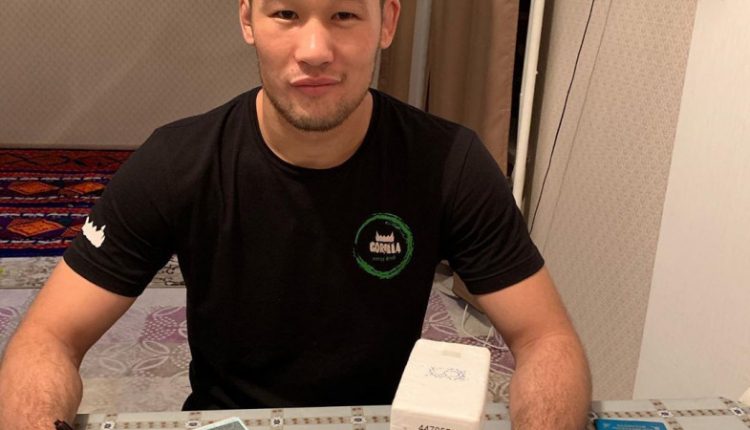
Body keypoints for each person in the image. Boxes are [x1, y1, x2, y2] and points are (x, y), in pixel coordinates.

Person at [0, 0, 592, 428]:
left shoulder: (449, 163)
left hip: (387, 420)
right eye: (286, 13)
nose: (314, 51)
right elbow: (48, 337)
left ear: (387, 22)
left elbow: (545, 338)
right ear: (247, 19)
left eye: (344, 15)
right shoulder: (176, 163)